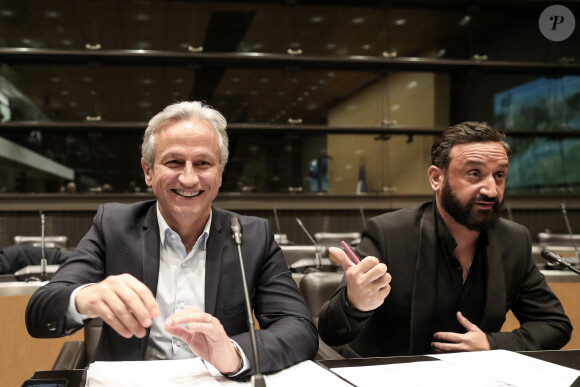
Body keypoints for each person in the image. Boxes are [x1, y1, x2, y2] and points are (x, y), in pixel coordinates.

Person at [26, 101, 318, 378]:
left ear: (220, 173)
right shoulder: (114, 226)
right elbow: (40, 312)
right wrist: (85, 297)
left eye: (203, 163)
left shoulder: (252, 237)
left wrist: (235, 354)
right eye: (174, 162)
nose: (189, 179)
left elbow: (298, 328)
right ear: (149, 171)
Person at [319, 122, 572, 358]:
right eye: (474, 173)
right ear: (436, 178)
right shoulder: (388, 234)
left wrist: (493, 344)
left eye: (499, 175)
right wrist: (354, 304)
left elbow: (554, 324)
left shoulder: (514, 240)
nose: (491, 190)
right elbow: (331, 332)